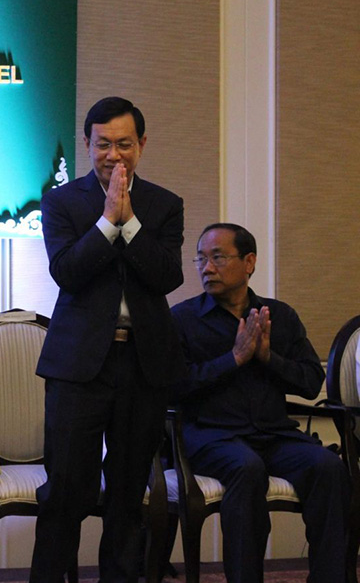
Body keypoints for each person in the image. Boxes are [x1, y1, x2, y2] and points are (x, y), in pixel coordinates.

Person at [30, 96, 185, 582]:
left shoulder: (164, 205)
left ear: (142, 144)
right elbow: (67, 273)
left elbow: (167, 277)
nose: (113, 155)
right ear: (86, 144)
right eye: (102, 144)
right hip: (78, 368)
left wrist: (130, 223)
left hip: (142, 365)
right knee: (64, 492)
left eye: (124, 144)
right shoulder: (61, 202)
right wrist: (106, 222)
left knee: (127, 495)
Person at [171, 223, 350, 583]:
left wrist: (268, 358)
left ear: (249, 262)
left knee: (329, 467)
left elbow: (311, 381)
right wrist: (234, 359)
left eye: (218, 257)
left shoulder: (279, 316)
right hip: (210, 436)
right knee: (246, 467)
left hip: (273, 434)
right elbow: (172, 387)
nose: (207, 268)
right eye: (201, 259)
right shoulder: (182, 318)